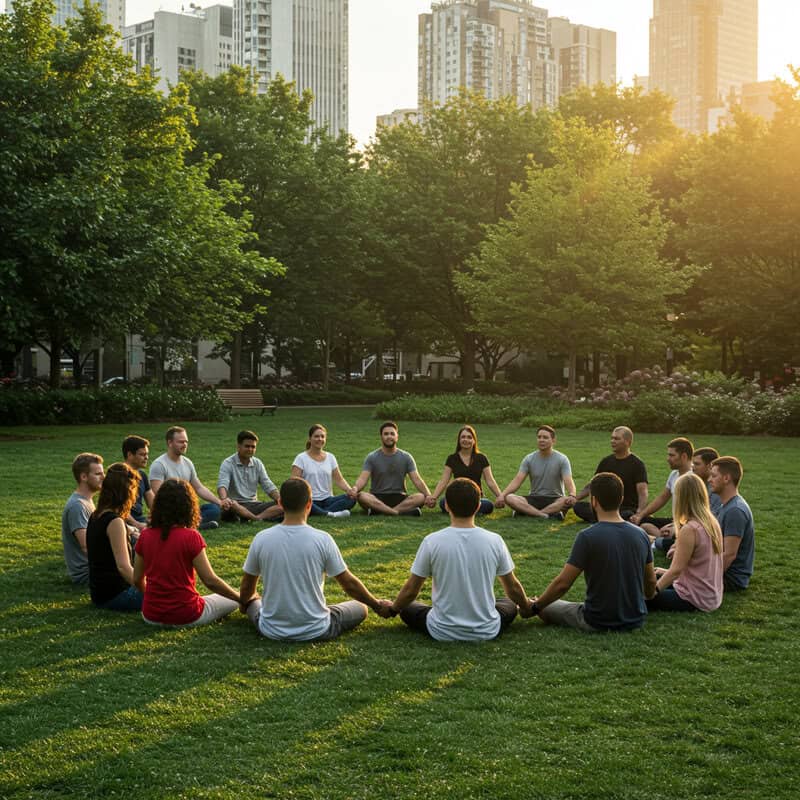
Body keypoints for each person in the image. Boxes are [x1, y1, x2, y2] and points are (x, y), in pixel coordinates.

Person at [240, 478, 394, 641]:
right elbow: (348, 583)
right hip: (317, 628)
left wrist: (245, 603)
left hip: (271, 629)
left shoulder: (261, 538)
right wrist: (376, 605)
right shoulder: (322, 539)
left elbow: (247, 586)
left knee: (253, 602)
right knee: (361, 608)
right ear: (309, 504)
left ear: (280, 503)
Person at [389, 478, 532, 640]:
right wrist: (526, 606)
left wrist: (393, 609)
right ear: (478, 506)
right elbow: (512, 587)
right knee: (510, 603)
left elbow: (411, 591)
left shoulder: (432, 541)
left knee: (405, 606)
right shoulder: (495, 540)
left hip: (441, 630)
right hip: (487, 629)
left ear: (447, 506)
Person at [530, 473, 657, 632]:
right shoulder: (641, 535)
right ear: (621, 499)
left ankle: (533, 604)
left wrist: (535, 607)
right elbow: (650, 581)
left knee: (545, 606)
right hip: (636, 619)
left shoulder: (588, 536)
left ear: (594, 501)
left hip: (597, 620)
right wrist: (646, 597)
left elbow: (562, 584)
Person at [133, 479, 241, 627]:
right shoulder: (191, 537)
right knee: (233, 598)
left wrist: (154, 600)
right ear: (189, 506)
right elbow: (210, 580)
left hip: (151, 615)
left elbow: (137, 579)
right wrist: (241, 598)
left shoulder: (145, 535)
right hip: (187, 615)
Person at [647, 473, 723, 613]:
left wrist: (654, 591)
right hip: (709, 594)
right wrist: (664, 572)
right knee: (647, 577)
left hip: (694, 597)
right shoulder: (712, 522)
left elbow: (675, 571)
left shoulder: (690, 529)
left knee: (636, 594)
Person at [86, 462, 144, 611]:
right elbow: (123, 567)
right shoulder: (114, 522)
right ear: (126, 492)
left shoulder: (96, 515)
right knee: (168, 592)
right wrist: (148, 590)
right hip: (116, 595)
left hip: (100, 594)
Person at [350, 421, 432, 516]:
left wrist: (429, 495)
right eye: (386, 434)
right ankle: (398, 512)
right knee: (362, 496)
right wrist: (355, 488)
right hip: (377, 497)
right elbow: (363, 479)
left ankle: (380, 511)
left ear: (397, 437)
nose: (389, 436)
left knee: (421, 497)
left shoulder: (406, 457)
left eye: (392, 434)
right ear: (381, 437)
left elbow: (417, 480)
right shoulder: (372, 457)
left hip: (400, 498)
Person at [149, 426, 222, 531]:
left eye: (186, 442)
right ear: (170, 443)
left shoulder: (188, 463)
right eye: (181, 442)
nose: (184, 445)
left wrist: (219, 502)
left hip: (187, 509)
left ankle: (188, 525)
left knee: (214, 509)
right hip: (170, 510)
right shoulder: (159, 464)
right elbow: (158, 494)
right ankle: (191, 525)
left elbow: (199, 488)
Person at [496, 425, 576, 519]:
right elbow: (517, 480)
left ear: (553, 440)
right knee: (509, 497)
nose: (541, 440)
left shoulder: (562, 459)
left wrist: (572, 495)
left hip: (555, 499)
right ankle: (545, 515)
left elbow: (568, 480)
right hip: (534, 498)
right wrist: (502, 495)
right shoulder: (529, 459)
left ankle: (528, 512)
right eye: (539, 437)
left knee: (566, 500)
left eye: (545, 437)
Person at [573, 427, 648, 523]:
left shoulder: (637, 464)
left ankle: (604, 519)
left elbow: (642, 492)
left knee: (627, 514)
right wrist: (575, 498)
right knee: (578, 507)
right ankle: (609, 519)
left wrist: (640, 512)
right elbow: (592, 485)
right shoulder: (606, 461)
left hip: (626, 508)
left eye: (617, 439)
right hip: (605, 507)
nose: (612, 441)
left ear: (628, 442)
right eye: (612, 438)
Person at [630, 437, 694, 548]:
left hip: (688, 523)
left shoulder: (693, 478)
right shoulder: (674, 474)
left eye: (672, 455)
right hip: (675, 520)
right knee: (643, 523)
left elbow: (695, 511)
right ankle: (661, 539)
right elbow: (662, 498)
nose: (668, 459)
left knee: (648, 528)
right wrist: (640, 515)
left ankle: (661, 541)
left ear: (684, 456)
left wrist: (676, 525)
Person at [427, 425, 504, 515]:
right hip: (457, 496)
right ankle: (471, 511)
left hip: (475, 498)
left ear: (474, 441)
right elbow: (444, 481)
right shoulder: (452, 458)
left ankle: (460, 511)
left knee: (488, 505)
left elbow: (490, 480)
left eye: (469, 437)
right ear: (459, 440)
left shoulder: (481, 458)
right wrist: (434, 498)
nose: (466, 440)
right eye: (463, 437)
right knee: (443, 502)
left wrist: (500, 496)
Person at [290, 424, 357, 518]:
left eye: (322, 436)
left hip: (328, 499)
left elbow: (339, 479)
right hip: (309, 499)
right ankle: (329, 514)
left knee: (351, 499)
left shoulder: (330, 457)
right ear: (310, 439)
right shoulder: (301, 458)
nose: (320, 439)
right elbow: (294, 482)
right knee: (302, 502)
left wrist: (349, 490)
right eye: (316, 436)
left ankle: (320, 512)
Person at [708, 456, 755, 591]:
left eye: (714, 476)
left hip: (730, 578)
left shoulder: (735, 510)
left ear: (726, 478)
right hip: (722, 572)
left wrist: (704, 577)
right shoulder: (727, 505)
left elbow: (729, 555)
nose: (709, 480)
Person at [217, 430, 283, 523]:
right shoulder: (228, 463)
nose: (250, 449)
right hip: (236, 504)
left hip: (254, 504)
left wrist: (279, 498)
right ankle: (262, 517)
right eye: (247, 446)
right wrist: (224, 499)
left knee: (284, 505)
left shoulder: (257, 463)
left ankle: (253, 518)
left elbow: (267, 484)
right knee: (232, 505)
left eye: (253, 447)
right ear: (238, 446)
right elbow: (222, 484)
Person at [61, 453, 104, 585]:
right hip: (88, 573)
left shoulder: (86, 501)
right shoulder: (77, 506)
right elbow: (87, 547)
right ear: (84, 477)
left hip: (96, 568)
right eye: (98, 474)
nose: (103, 477)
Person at [122, 435, 154, 531]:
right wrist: (137, 524)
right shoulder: (118, 476)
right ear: (129, 455)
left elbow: (153, 503)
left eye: (147, 454)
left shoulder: (142, 475)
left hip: (140, 520)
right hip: (123, 522)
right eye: (142, 454)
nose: (146, 457)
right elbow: (117, 508)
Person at [691, 446, 722, 515]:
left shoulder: (717, 490)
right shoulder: (697, 484)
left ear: (710, 466)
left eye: (697, 464)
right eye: (693, 464)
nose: (692, 468)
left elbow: (711, 518)